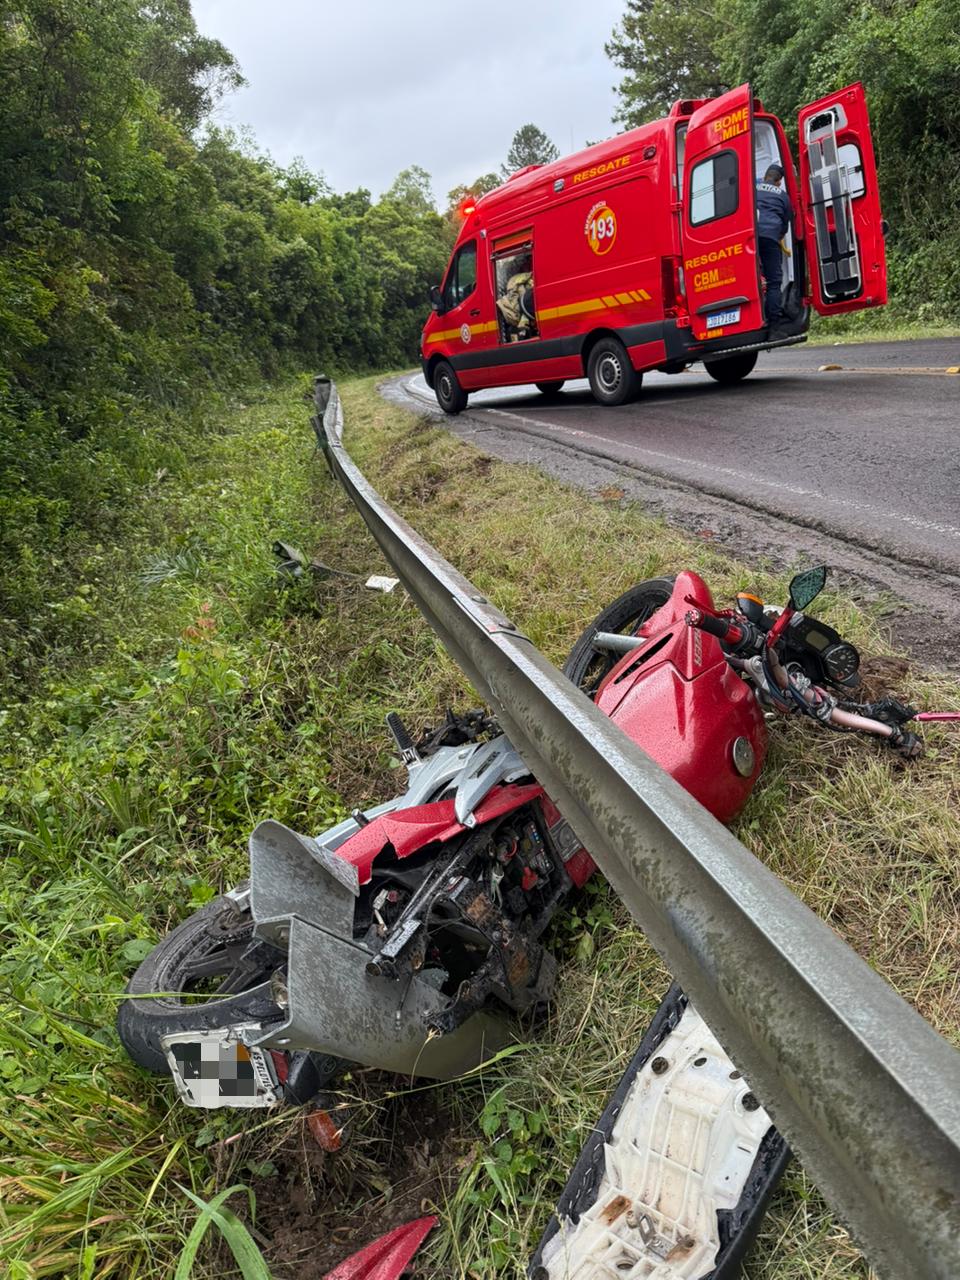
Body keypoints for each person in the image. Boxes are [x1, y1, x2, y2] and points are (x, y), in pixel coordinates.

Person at [755, 163, 793, 335]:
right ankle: (774, 326)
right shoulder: (783, 196)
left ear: (765, 177)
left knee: (751, 279)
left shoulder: (754, 189)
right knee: (774, 282)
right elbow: (786, 222)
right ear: (779, 182)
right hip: (771, 238)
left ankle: (754, 319)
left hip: (751, 237)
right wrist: (778, 235)